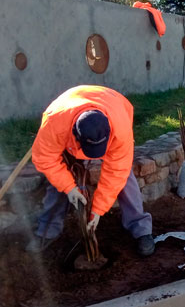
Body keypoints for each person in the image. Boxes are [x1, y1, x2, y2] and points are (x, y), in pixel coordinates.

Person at [26, 85, 154, 256]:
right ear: (75, 136)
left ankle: (141, 228)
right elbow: (45, 159)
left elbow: (117, 171)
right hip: (68, 114)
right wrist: (69, 188)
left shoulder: (120, 127)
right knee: (58, 179)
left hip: (113, 103)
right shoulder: (55, 123)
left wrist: (98, 210)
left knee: (124, 178)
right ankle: (47, 230)